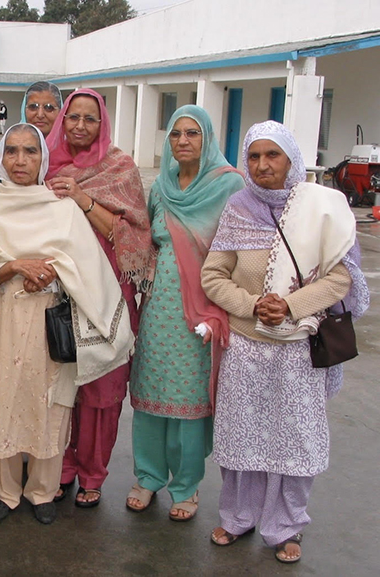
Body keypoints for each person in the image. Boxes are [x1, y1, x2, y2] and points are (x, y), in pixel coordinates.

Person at [201, 121, 369, 564]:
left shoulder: (322, 206)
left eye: (272, 155)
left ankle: (285, 526)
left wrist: (291, 306)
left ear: (292, 158)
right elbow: (213, 276)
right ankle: (238, 517)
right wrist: (255, 304)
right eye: (254, 157)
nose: (262, 166)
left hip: (299, 347)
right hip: (247, 345)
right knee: (243, 438)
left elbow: (341, 276)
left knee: (294, 441)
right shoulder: (238, 207)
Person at [0, 123, 134, 525]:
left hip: (50, 319)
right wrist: (11, 267)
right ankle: (5, 493)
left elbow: (87, 265)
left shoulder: (60, 206)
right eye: (11, 151)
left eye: (30, 151)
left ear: (43, 157)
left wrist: (51, 271)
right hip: (2, 313)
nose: (20, 160)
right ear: (0, 158)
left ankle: (43, 492)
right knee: (2, 400)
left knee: (50, 404)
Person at [126, 105, 244, 520]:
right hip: (159, 307)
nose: (183, 141)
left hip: (203, 310)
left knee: (191, 398)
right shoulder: (160, 186)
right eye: (176, 134)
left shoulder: (229, 186)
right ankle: (148, 476)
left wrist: (222, 309)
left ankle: (186, 486)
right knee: (152, 393)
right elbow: (148, 240)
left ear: (208, 138)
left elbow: (238, 253)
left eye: (192, 133)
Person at [45, 88, 151, 508]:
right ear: (62, 120)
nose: (80, 126)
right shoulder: (44, 161)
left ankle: (92, 472)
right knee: (60, 380)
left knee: (102, 387)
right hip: (58, 289)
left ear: (102, 123)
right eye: (73, 117)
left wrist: (82, 198)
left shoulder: (119, 168)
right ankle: (61, 467)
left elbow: (131, 235)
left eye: (90, 119)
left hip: (109, 291)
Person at [0, 81, 63, 188]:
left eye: (48, 107)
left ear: (61, 111)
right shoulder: (4, 149)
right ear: (24, 109)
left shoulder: (70, 152)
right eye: (33, 107)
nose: (40, 114)